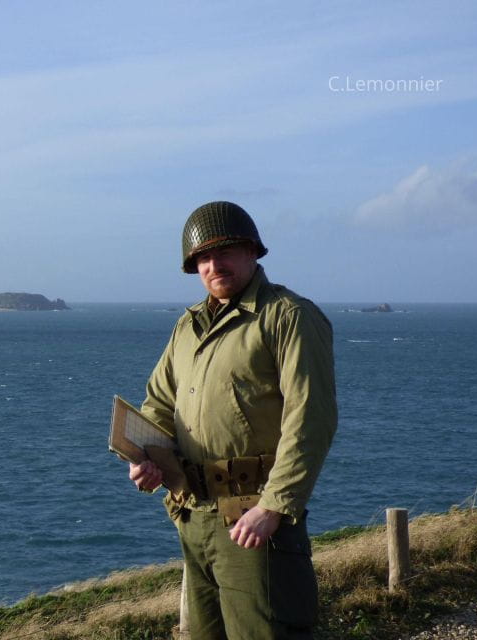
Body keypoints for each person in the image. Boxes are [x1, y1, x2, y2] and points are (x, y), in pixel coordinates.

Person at [128, 201, 337, 640]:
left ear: (252, 252)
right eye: (202, 258)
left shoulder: (288, 316)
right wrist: (146, 458)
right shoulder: (188, 327)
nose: (213, 265)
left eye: (224, 252)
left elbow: (310, 419)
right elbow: (158, 404)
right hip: (194, 515)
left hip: (255, 519)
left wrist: (274, 507)